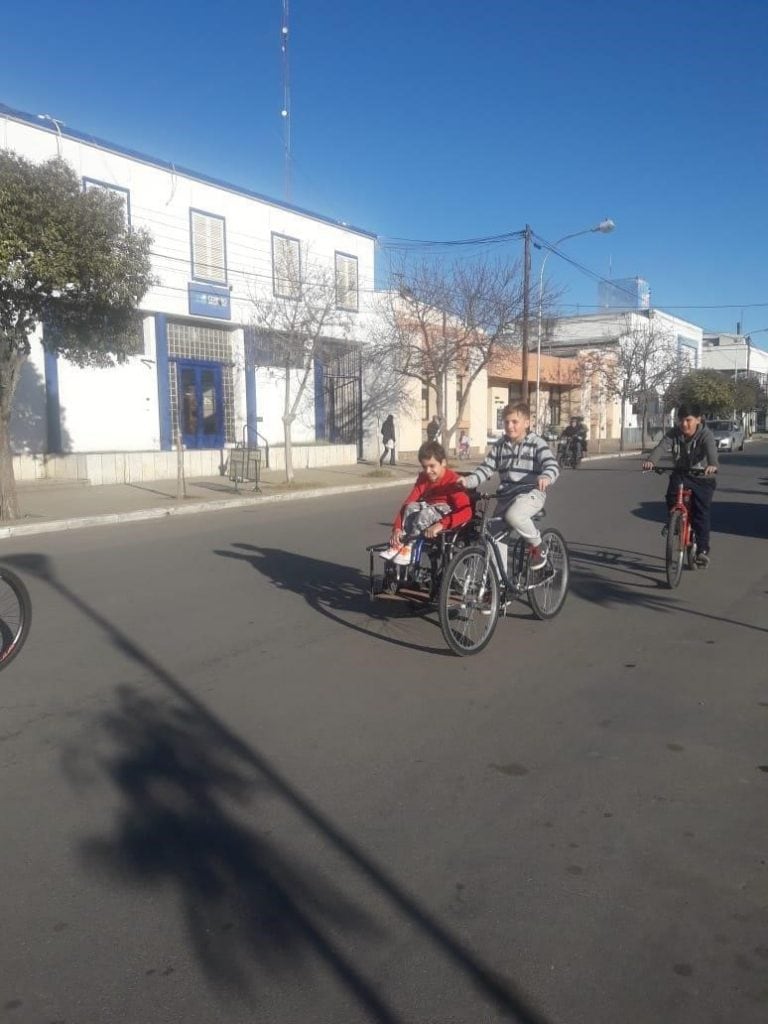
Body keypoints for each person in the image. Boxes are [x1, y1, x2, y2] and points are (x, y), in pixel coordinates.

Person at [458, 401, 559, 570]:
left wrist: (546, 476)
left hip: (531, 494)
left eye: (515, 422)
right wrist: (468, 481)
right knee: (493, 535)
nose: (510, 426)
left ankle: (538, 545)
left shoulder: (537, 443)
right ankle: (500, 588)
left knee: (515, 516)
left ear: (527, 423)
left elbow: (551, 465)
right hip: (506, 497)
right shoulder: (500, 446)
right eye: (506, 422)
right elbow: (486, 469)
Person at [642, 402, 718, 567]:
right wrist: (651, 461)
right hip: (682, 473)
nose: (684, 424)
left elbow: (712, 451)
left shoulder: (706, 435)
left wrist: (712, 465)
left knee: (701, 514)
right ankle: (674, 522)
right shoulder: (674, 433)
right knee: (671, 496)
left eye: (688, 420)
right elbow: (662, 447)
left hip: (703, 477)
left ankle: (702, 551)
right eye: (681, 420)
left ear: (698, 420)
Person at [380, 440, 473, 565]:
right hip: (429, 509)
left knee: (425, 514)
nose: (428, 471)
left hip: (446, 513)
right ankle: (400, 543)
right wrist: (396, 528)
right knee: (410, 507)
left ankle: (410, 548)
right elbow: (408, 502)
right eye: (424, 467)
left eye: (432, 466)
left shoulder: (453, 481)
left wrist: (441, 525)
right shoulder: (424, 478)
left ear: (443, 463)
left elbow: (467, 512)